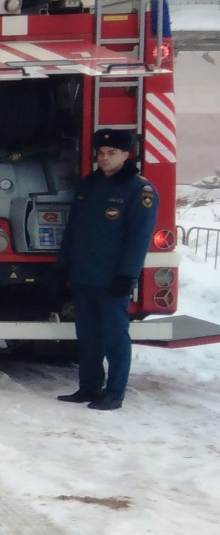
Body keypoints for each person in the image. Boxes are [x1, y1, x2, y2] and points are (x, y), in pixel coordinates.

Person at [55, 127, 158, 412]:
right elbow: (75, 230)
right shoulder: (90, 185)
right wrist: (64, 266)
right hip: (85, 275)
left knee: (114, 337)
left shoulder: (140, 190)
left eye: (111, 153)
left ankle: (114, 392)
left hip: (112, 279)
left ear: (127, 155)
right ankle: (89, 387)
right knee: (88, 336)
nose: (104, 158)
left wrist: (127, 276)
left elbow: (139, 238)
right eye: (101, 153)